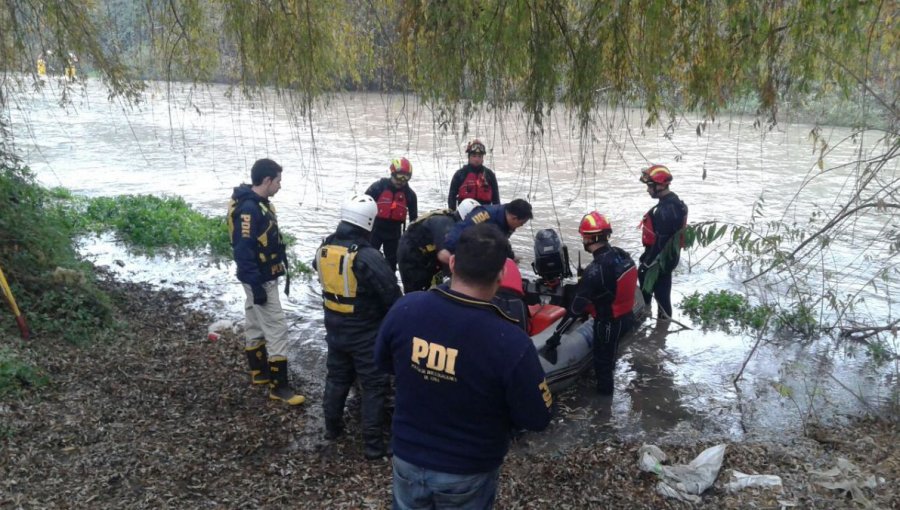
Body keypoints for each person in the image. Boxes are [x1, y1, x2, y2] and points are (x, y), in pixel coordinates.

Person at [375, 223, 553, 509]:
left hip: (407, 457)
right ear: (501, 275)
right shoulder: (510, 341)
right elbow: (537, 417)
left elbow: (384, 363)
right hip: (467, 469)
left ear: (453, 262)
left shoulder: (406, 308)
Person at [315, 195, 402, 460]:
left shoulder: (324, 247)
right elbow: (391, 295)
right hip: (365, 333)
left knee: (337, 377)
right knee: (374, 386)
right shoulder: (366, 256)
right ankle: (373, 447)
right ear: (369, 222)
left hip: (334, 327)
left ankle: (332, 429)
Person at [228, 158, 304, 405]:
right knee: (277, 328)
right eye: (278, 181)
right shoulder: (249, 210)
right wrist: (257, 285)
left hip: (259, 277)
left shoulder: (258, 204)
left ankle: (259, 372)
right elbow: (243, 250)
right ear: (267, 180)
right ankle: (279, 386)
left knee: (254, 321)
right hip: (260, 279)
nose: (280, 186)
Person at [544, 212, 637, 395]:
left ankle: (604, 411)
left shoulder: (595, 271)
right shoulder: (621, 254)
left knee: (602, 365)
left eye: (583, 237)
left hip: (609, 323)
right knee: (610, 356)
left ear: (588, 238)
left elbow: (574, 311)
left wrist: (556, 336)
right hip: (627, 317)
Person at [396, 198, 480, 293]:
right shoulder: (447, 224)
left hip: (428, 254)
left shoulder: (455, 224)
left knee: (435, 287)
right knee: (417, 290)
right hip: (411, 253)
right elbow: (444, 255)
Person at [638, 164, 688, 319]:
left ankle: (646, 320)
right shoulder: (673, 202)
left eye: (650, 186)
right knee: (662, 292)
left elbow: (662, 242)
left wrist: (647, 264)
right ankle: (661, 332)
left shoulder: (666, 210)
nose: (648, 190)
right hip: (668, 257)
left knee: (658, 292)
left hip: (662, 259)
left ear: (659, 186)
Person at [437, 198, 533, 265]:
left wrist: (510, 258)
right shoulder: (486, 214)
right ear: (514, 218)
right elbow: (462, 228)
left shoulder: (507, 222)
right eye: (522, 223)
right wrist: (447, 248)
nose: (521, 226)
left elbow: (502, 241)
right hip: (458, 251)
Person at [364, 158, 418, 272]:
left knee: (391, 265)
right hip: (375, 230)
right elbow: (363, 207)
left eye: (406, 177)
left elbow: (414, 221)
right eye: (399, 176)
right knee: (368, 260)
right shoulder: (378, 187)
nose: (402, 180)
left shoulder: (410, 195)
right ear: (392, 173)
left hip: (394, 234)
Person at [447, 139, 500, 210]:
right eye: (474, 156)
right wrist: (452, 213)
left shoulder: (489, 175)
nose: (477, 159)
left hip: (485, 214)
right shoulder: (460, 174)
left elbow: (496, 200)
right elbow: (452, 197)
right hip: (464, 213)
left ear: (482, 159)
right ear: (469, 157)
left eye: (479, 156)